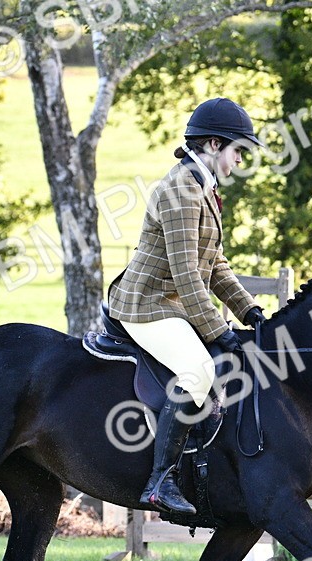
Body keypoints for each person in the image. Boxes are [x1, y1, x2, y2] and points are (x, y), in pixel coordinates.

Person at [106, 98, 266, 515]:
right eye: (237, 151)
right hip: (147, 304)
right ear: (214, 144)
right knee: (199, 371)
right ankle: (160, 482)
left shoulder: (203, 188)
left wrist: (251, 313)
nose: (238, 162)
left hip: (173, 302)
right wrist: (220, 331)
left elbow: (215, 267)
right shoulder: (180, 191)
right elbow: (186, 275)